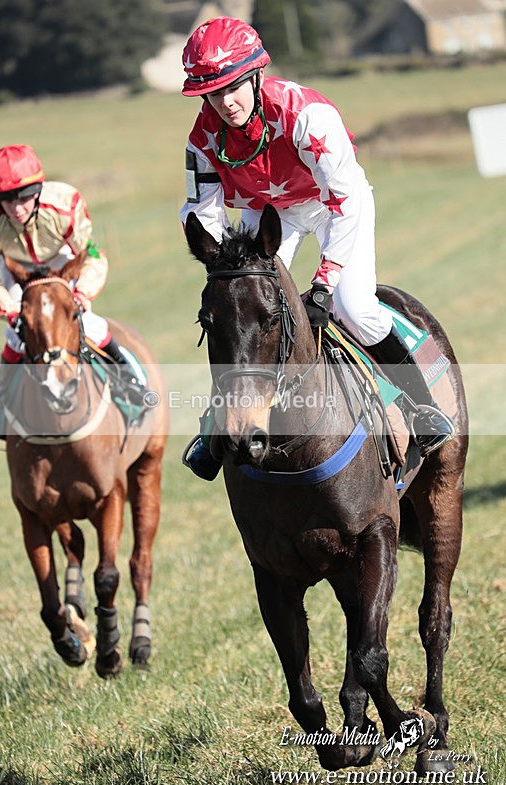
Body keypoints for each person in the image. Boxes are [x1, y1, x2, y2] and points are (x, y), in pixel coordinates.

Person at [179, 16, 455, 480]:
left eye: (233, 88)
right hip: (272, 214)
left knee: (354, 307)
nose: (225, 103)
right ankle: (216, 429)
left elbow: (344, 200)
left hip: (334, 204)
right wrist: (222, 265)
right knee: (240, 310)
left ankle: (424, 407)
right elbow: (200, 212)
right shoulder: (203, 138)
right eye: (212, 93)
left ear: (254, 76)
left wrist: (324, 283)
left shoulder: (306, 114)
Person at [0, 143, 148, 439]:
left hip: (61, 263)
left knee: (89, 324)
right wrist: (11, 312)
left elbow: (91, 256)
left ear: (38, 190)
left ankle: (132, 382)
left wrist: (81, 296)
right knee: (14, 337)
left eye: (25, 198)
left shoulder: (65, 204)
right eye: (7, 201)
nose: (17, 209)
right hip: (18, 271)